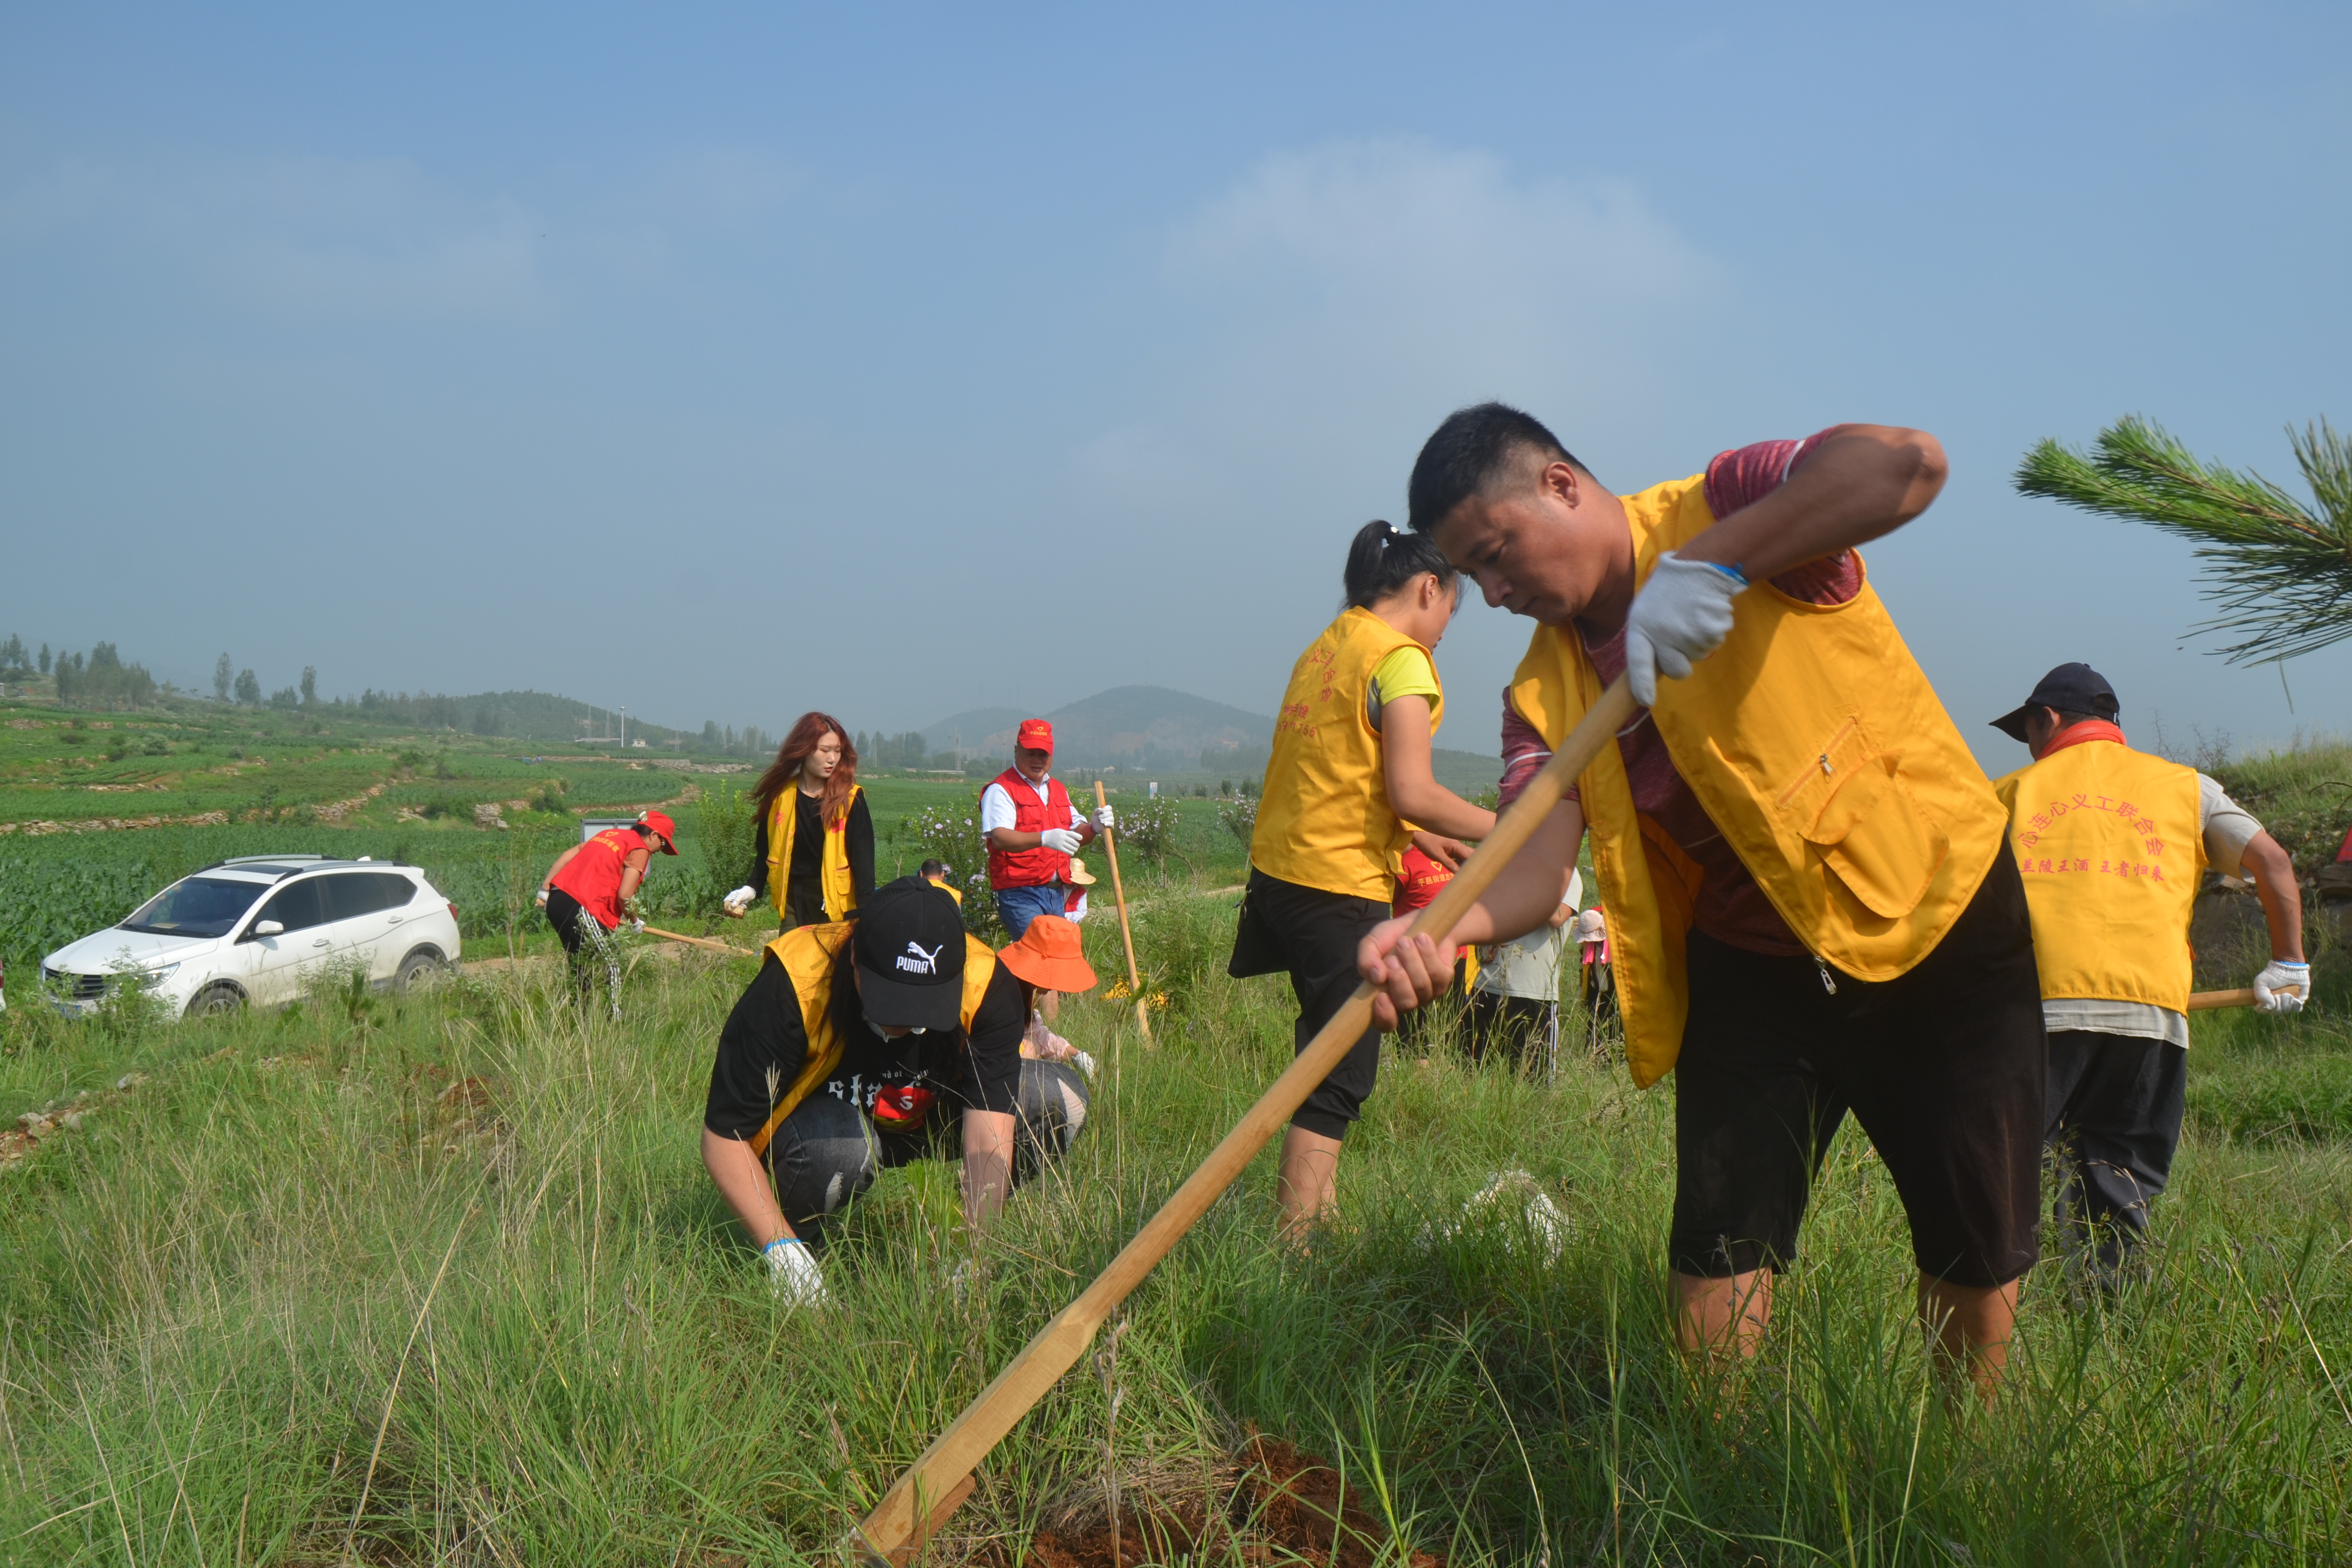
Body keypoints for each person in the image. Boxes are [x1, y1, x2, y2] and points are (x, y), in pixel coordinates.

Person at [1359, 405, 2041, 1402]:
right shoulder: (1543, 694)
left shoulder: (1725, 502)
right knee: (1718, 1255)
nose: (1497, 595)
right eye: (1475, 576)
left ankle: (1974, 1469)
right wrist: (1436, 927)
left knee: (1971, 1240)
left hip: (1932, 918)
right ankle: (1713, 1476)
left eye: (1498, 556)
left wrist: (1716, 563)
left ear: (1560, 485)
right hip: (1748, 964)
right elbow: (1535, 870)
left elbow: (1907, 464)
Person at [1989, 662, 2307, 1288]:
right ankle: (2102, 1328)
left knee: (2008, 1183)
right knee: (2118, 1179)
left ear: (2047, 719)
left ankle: (2006, 1336)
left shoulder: (2007, 794)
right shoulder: (2186, 789)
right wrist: (2289, 961)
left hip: (2036, 1012)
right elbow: (2271, 860)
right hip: (2151, 1018)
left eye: (2027, 729)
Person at [1231, 519, 1498, 1238]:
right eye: (1449, 611)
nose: (1445, 631)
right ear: (1429, 588)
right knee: (1339, 1075)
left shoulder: (1327, 646)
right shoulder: (1402, 657)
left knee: (1322, 1049)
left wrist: (1423, 833)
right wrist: (1511, 825)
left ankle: (1320, 1214)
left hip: (1281, 881)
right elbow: (1411, 788)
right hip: (1341, 887)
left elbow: (1341, 776)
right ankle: (1300, 1242)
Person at [700, 877, 1090, 1304]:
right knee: (843, 1151)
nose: (903, 1024)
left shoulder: (985, 984)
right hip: (831, 1130)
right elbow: (725, 1135)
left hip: (931, 1116)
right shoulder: (796, 982)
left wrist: (978, 1250)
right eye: (891, 1001)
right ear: (854, 957)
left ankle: (961, 1234)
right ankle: (802, 1245)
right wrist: (781, 1250)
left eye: (925, 1006)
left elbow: (990, 1133)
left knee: (1061, 1099)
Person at [723, 713, 875, 930]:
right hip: (793, 899)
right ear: (803, 751)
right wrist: (752, 887)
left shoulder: (850, 799)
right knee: (789, 959)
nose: (832, 758)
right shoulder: (779, 796)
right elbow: (766, 851)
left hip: (835, 903)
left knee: (830, 962)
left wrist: (866, 915)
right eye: (824, 750)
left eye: (837, 750)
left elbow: (864, 864)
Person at [983, 720, 1113, 940]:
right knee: (1039, 954)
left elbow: (1076, 834)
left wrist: (1094, 827)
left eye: (1043, 754)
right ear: (1016, 751)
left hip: (1055, 893)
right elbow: (1000, 838)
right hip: (1020, 893)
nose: (1037, 760)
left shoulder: (1058, 790)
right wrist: (1044, 838)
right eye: (1030, 753)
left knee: (1056, 960)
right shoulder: (1002, 789)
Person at [537, 810, 679, 1010]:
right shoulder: (640, 849)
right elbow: (625, 895)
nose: (659, 850)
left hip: (557, 900)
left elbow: (567, 855)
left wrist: (544, 890)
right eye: (663, 844)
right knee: (611, 964)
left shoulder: (609, 835)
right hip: (582, 906)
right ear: (654, 835)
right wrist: (635, 921)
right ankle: (614, 1023)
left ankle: (582, 1021)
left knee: (582, 965)